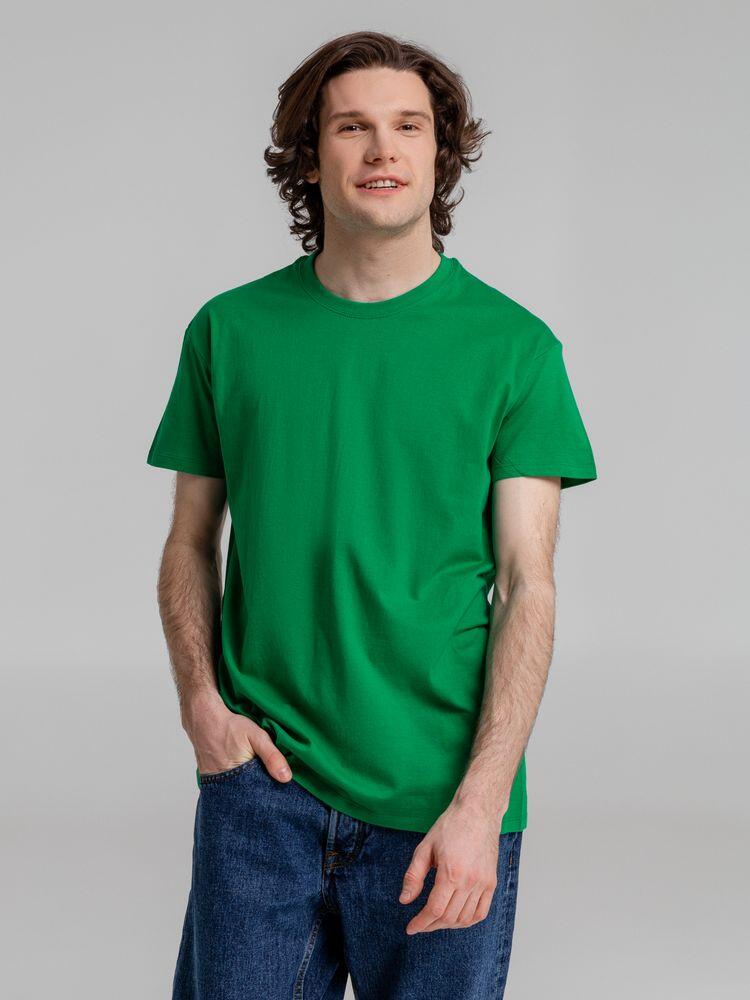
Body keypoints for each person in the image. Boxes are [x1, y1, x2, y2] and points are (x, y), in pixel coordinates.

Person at [146, 29, 598, 1000]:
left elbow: (528, 584)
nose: (383, 149)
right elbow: (188, 541)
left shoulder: (516, 349)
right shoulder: (229, 332)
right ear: (311, 157)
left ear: (442, 154)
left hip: (442, 802)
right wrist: (202, 709)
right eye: (352, 126)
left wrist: (483, 802)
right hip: (262, 789)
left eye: (409, 127)